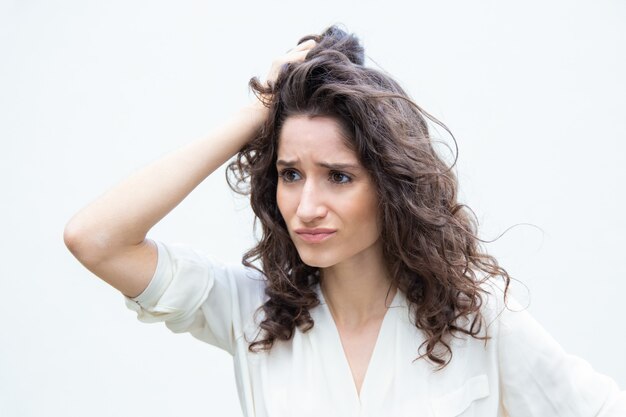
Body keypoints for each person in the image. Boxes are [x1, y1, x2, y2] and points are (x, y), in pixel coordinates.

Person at [64, 25, 625, 417]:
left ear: (392, 186)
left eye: (338, 176)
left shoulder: (478, 317)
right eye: (289, 174)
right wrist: (263, 106)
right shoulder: (251, 313)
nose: (306, 207)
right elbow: (96, 239)